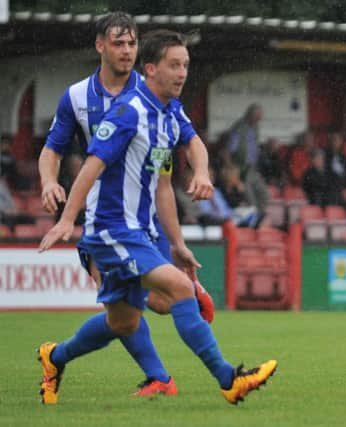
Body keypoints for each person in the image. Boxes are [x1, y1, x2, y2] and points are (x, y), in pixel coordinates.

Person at [37, 29, 277, 405]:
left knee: (124, 322)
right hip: (111, 229)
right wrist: (68, 219)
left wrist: (178, 242)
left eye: (185, 65)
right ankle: (230, 379)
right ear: (150, 69)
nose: (182, 73)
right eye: (174, 65)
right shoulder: (127, 112)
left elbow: (162, 186)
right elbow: (90, 167)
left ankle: (55, 358)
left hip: (141, 231)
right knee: (179, 291)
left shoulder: (167, 115)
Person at [37, 12, 214, 399]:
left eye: (132, 43)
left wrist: (199, 175)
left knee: (141, 311)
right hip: (103, 219)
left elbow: (168, 171)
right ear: (100, 45)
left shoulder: (153, 90)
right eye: (118, 43)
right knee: (143, 305)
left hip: (145, 220)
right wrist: (51, 183)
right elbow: (52, 150)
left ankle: (58, 356)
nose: (127, 51)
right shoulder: (78, 97)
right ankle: (160, 378)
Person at [226, 103, 270, 225]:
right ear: (250, 115)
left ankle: (260, 217)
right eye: (257, 117)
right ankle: (255, 222)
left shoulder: (255, 127)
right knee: (249, 197)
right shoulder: (238, 128)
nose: (259, 120)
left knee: (264, 194)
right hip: (241, 169)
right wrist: (231, 169)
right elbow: (228, 151)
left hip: (253, 168)